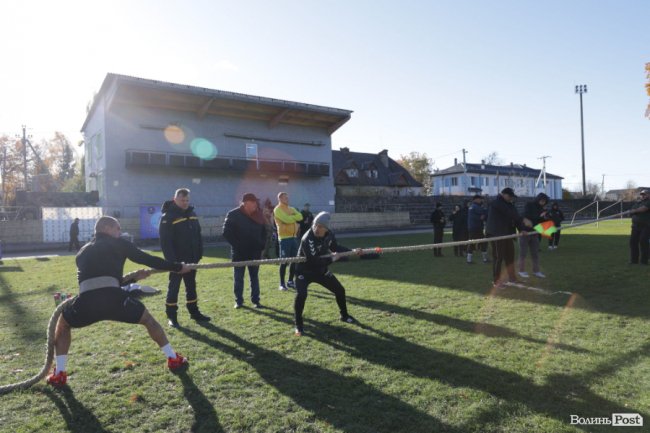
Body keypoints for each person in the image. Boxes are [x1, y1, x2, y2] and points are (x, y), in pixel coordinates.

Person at [46, 216, 191, 387]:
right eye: (117, 229)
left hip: (87, 302)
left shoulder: (82, 252)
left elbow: (99, 282)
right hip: (115, 299)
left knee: (63, 325)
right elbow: (147, 259)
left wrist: (134, 277)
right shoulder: (119, 243)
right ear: (107, 228)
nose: (120, 232)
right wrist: (178, 267)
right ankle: (173, 359)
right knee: (149, 320)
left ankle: (60, 374)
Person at [293, 212, 361, 336]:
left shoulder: (329, 235)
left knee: (340, 290)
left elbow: (336, 247)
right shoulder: (307, 239)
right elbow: (313, 261)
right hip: (304, 271)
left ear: (326, 228)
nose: (317, 229)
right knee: (301, 295)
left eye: (321, 227)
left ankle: (344, 316)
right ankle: (298, 325)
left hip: (320, 270)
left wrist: (352, 252)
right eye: (315, 225)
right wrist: (332, 259)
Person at [159, 188, 210, 328]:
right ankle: (172, 316)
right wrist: (173, 263)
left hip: (192, 259)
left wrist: (198, 254)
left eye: (187, 200)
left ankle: (194, 312)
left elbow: (198, 235)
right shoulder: (168, 217)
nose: (185, 203)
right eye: (182, 200)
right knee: (174, 288)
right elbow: (165, 242)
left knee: (191, 286)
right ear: (175, 199)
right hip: (176, 262)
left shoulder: (192, 213)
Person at [222, 193, 267, 309]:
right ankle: (239, 301)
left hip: (255, 253)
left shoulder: (259, 214)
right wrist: (238, 246)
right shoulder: (233, 214)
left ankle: (256, 301)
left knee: (254, 277)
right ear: (246, 203)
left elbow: (264, 231)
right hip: (239, 253)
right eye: (254, 202)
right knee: (238, 277)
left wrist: (261, 245)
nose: (256, 204)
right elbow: (226, 233)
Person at [486, 188, 532, 287]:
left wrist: (521, 229)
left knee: (510, 257)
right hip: (496, 234)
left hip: (507, 234)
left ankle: (512, 278)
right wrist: (523, 219)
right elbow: (511, 214)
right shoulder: (496, 203)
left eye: (512, 197)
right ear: (503, 194)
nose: (511, 198)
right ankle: (496, 281)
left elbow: (515, 218)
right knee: (498, 257)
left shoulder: (510, 205)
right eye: (509, 196)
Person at [274, 192, 303, 290]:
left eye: (287, 197)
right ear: (280, 199)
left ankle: (290, 281)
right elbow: (286, 220)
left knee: (294, 260)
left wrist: (291, 217)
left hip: (294, 238)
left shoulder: (291, 208)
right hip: (284, 239)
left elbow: (300, 217)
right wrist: (293, 218)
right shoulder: (277, 209)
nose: (287, 199)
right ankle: (282, 284)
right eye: (285, 198)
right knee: (284, 261)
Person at [518, 193, 549, 279]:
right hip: (525, 232)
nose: (543, 203)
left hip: (535, 233)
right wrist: (539, 216)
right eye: (542, 201)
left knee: (535, 253)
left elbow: (539, 221)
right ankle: (521, 270)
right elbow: (526, 216)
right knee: (523, 253)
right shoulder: (529, 205)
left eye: (545, 202)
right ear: (538, 199)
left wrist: (544, 218)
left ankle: (536, 271)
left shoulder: (542, 208)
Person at [628, 189, 650, 265]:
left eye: (645, 194)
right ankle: (634, 261)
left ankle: (644, 261)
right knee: (633, 242)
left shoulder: (649, 202)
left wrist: (634, 211)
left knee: (643, 242)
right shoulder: (638, 203)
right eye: (642, 194)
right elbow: (632, 210)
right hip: (635, 226)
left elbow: (643, 209)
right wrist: (632, 211)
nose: (642, 196)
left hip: (646, 226)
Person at [467, 195, 490, 264]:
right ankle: (470, 260)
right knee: (474, 243)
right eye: (480, 199)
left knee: (481, 242)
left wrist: (483, 216)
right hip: (476, 228)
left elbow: (483, 216)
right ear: (476, 199)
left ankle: (483, 259)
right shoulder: (475, 207)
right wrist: (487, 208)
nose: (481, 201)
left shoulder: (473, 207)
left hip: (476, 227)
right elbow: (484, 213)